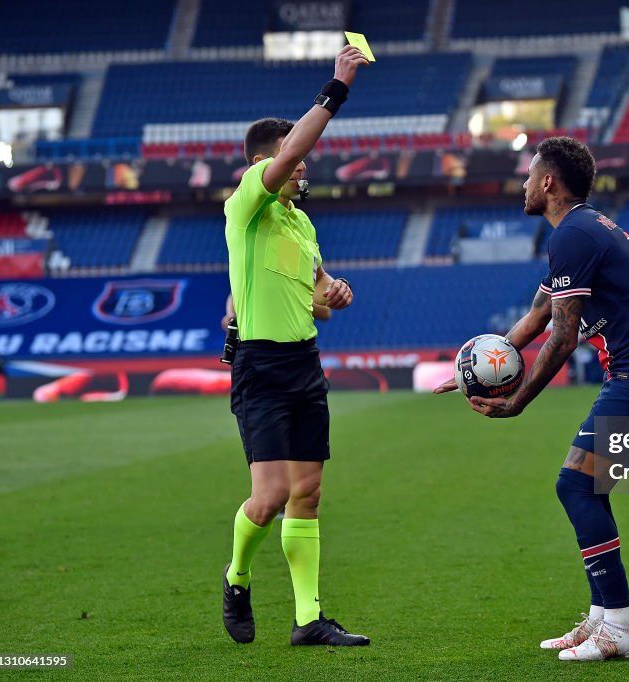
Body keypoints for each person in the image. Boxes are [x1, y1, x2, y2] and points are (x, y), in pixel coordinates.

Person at [435, 137, 629, 662]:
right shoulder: (579, 231)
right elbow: (535, 318)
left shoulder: (572, 234)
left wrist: (518, 402)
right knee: (584, 486)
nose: (524, 185)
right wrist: (471, 374)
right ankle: (604, 619)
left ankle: (621, 624)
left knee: (576, 486)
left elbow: (562, 333)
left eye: (530, 176)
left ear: (548, 182)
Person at [220, 45, 371, 648]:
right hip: (260, 366)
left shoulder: (301, 225)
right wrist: (336, 89)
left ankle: (308, 620)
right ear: (264, 163)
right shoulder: (247, 207)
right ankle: (236, 577)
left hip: (304, 364)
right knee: (271, 495)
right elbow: (298, 149)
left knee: (307, 492)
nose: (305, 169)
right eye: (292, 160)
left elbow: (314, 297)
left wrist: (332, 293)